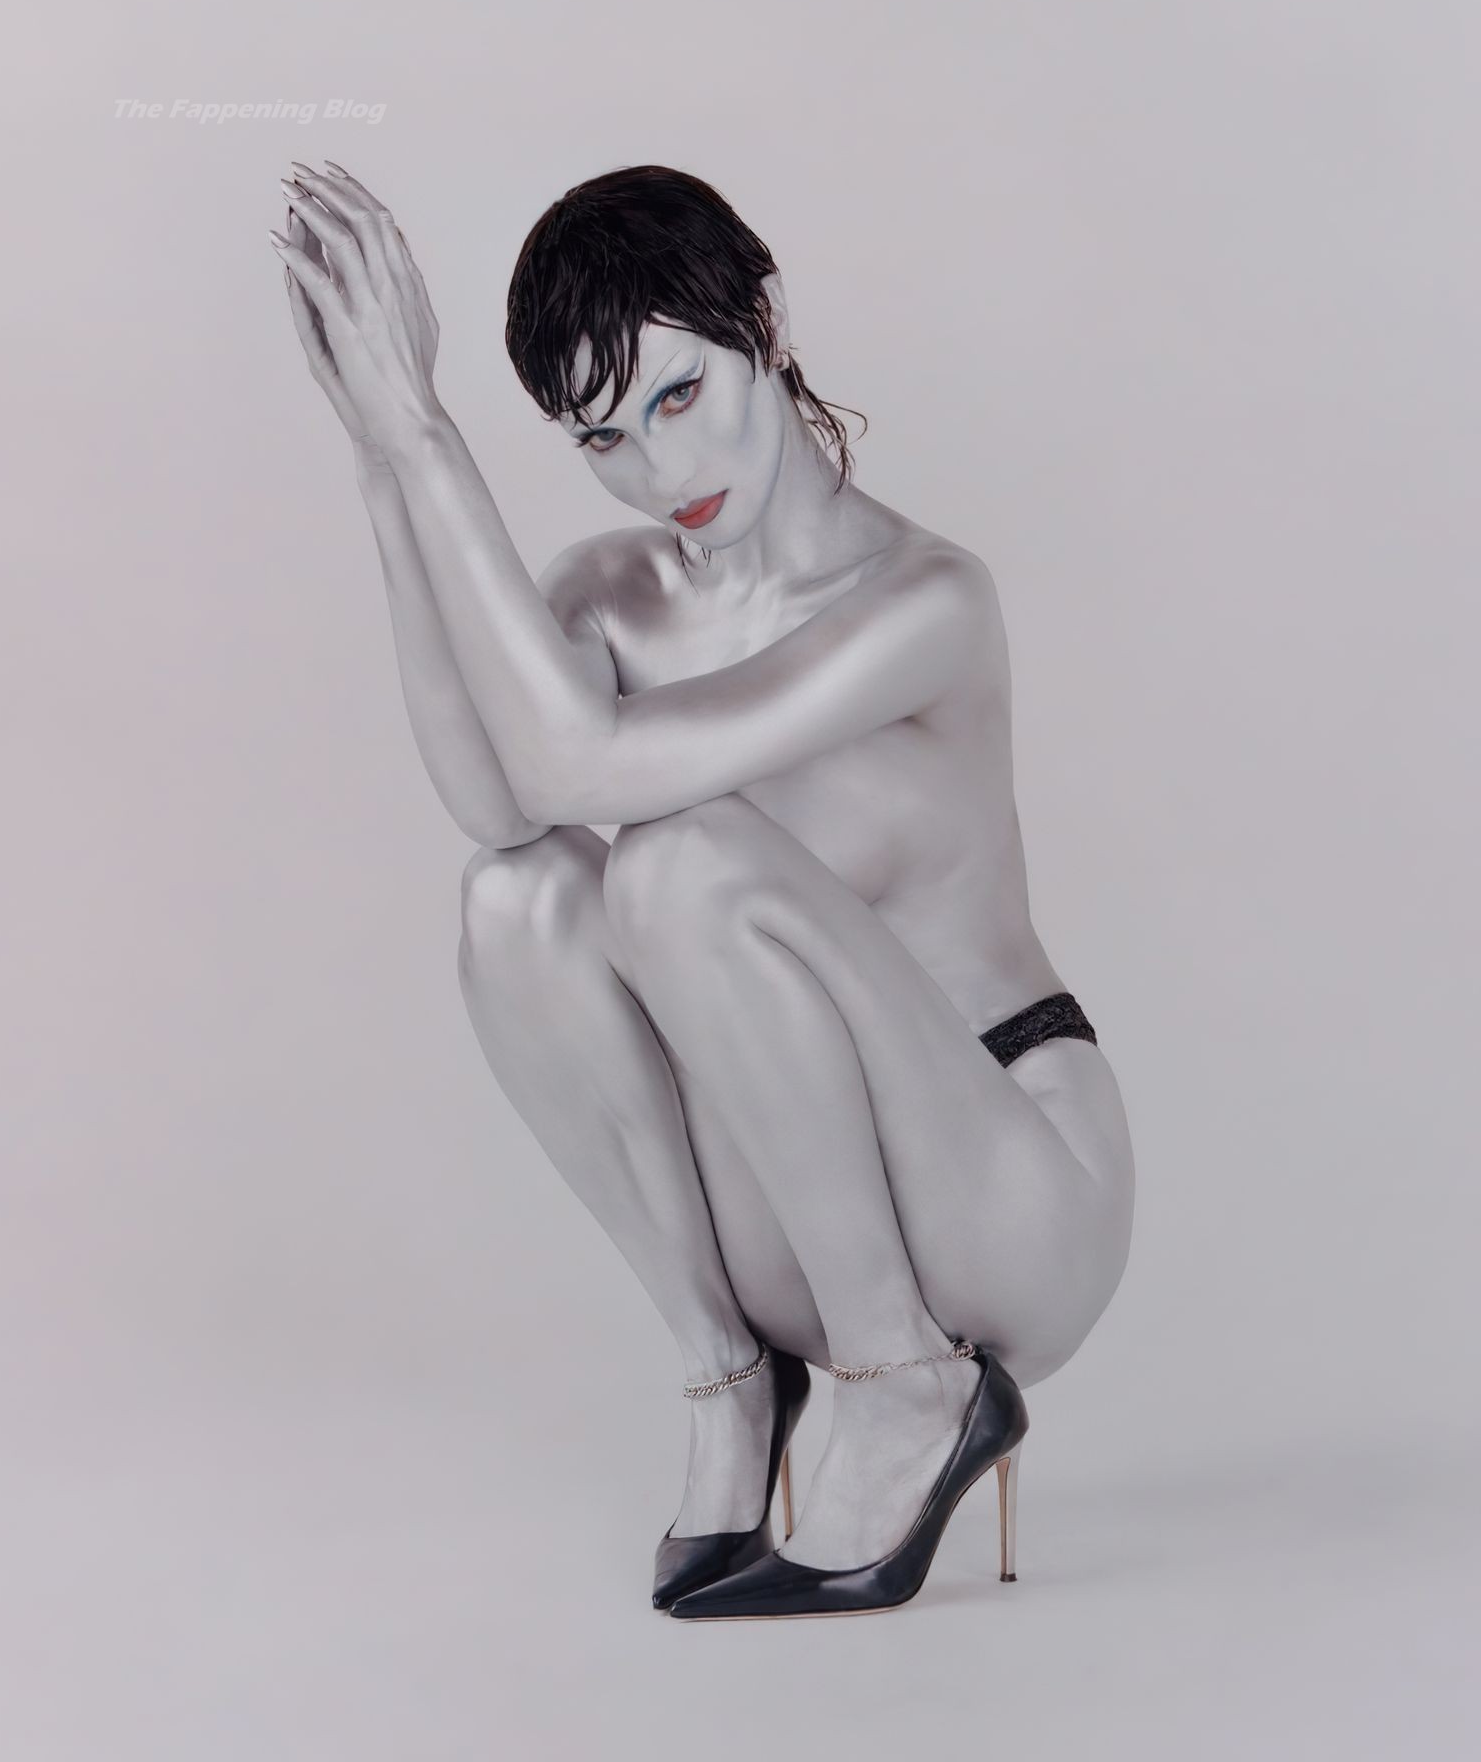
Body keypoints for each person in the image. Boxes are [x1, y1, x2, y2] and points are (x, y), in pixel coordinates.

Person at [272, 161, 1135, 1619]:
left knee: (673, 852)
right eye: (605, 437)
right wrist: (382, 459)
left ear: (766, 322)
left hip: (1011, 1195)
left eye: (679, 394)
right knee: (517, 898)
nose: (662, 471)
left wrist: (433, 435)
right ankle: (731, 1378)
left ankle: (912, 1389)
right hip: (795, 1222)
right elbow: (499, 802)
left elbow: (584, 762)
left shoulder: (925, 601)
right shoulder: (615, 590)